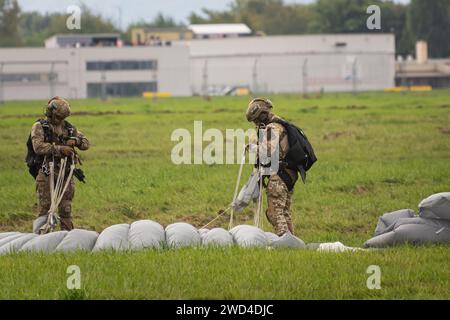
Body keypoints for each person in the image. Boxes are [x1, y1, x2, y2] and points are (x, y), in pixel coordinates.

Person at [29, 97, 89, 231]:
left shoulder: (69, 128)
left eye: (62, 117)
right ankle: (41, 240)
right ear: (50, 113)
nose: (60, 120)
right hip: (47, 172)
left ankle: (66, 238)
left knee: (66, 209)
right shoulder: (40, 127)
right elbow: (38, 147)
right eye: (58, 117)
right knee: (45, 208)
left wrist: (76, 141)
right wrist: (60, 149)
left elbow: (86, 143)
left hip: (66, 173)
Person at [246, 98, 298, 236]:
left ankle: (285, 241)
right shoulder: (278, 125)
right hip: (288, 173)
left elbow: (268, 151)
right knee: (284, 212)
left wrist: (253, 147)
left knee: (274, 213)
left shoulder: (273, 127)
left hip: (280, 175)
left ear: (263, 115)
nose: (256, 124)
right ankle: (292, 243)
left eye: (256, 120)